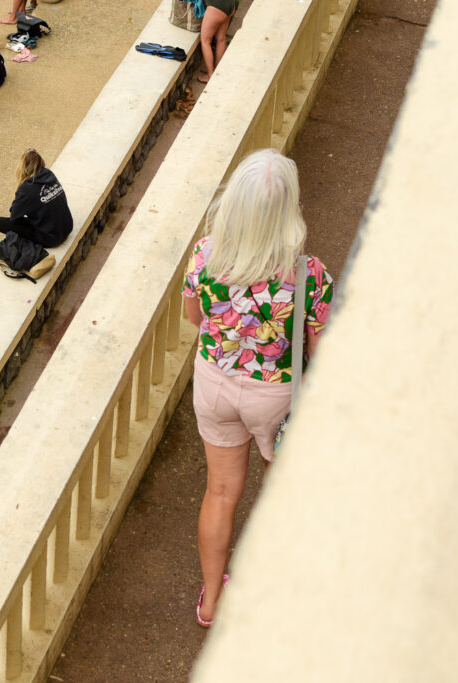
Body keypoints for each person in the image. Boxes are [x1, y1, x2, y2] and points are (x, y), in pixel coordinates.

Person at [182, 149, 334, 627]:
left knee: (221, 492)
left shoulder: (206, 254)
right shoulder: (309, 273)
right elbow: (320, 350)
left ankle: (210, 602)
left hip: (215, 382)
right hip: (277, 395)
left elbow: (194, 318)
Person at [0, 149, 73, 247]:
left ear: (22, 168)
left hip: (50, 238)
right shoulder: (49, 174)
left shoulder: (26, 189)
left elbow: (15, 218)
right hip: (67, 228)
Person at [199, 0, 238, 83]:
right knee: (221, 38)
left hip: (217, 7)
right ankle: (217, 70)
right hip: (230, 4)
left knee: (205, 41)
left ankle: (210, 75)